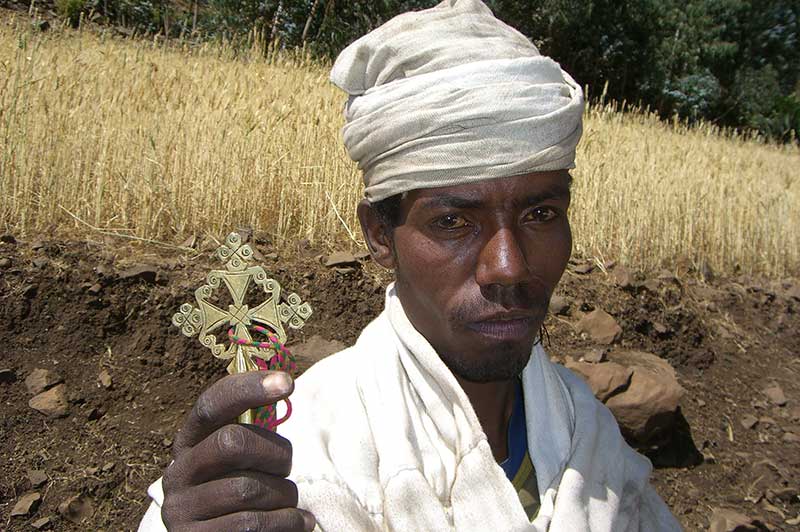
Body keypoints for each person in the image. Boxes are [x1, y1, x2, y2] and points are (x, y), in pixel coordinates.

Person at [138, 1, 681, 530]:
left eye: (541, 214)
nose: (509, 268)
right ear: (380, 236)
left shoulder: (587, 430)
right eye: (453, 222)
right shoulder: (294, 464)